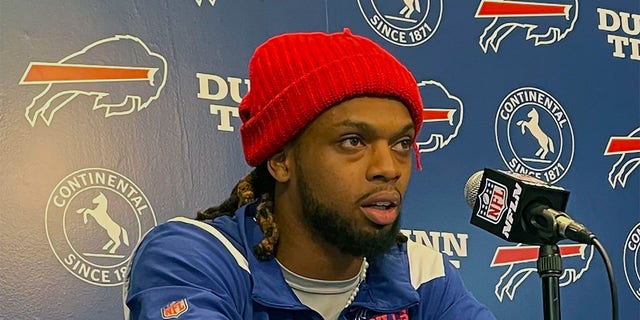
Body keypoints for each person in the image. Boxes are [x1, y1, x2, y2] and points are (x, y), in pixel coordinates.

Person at [124, 28, 496, 320]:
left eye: (401, 143)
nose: (387, 168)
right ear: (282, 160)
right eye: (353, 141)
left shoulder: (421, 270)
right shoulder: (193, 257)